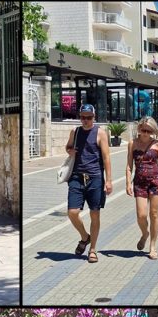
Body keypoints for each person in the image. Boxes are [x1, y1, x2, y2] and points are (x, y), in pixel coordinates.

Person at [63, 103, 113, 264]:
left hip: (95, 178)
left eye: (88, 117)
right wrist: (69, 150)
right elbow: (68, 147)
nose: (85, 120)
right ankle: (85, 237)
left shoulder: (100, 133)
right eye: (83, 117)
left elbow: (106, 158)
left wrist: (109, 180)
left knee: (95, 213)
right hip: (77, 177)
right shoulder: (75, 131)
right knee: (72, 212)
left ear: (94, 117)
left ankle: (92, 249)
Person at [126, 117, 158, 260]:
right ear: (139, 129)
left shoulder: (157, 144)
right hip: (139, 182)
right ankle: (145, 233)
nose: (145, 133)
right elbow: (129, 166)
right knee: (141, 215)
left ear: (152, 131)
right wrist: (128, 183)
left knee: (154, 214)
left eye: (148, 131)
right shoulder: (132, 143)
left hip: (156, 181)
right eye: (143, 130)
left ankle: (152, 247)